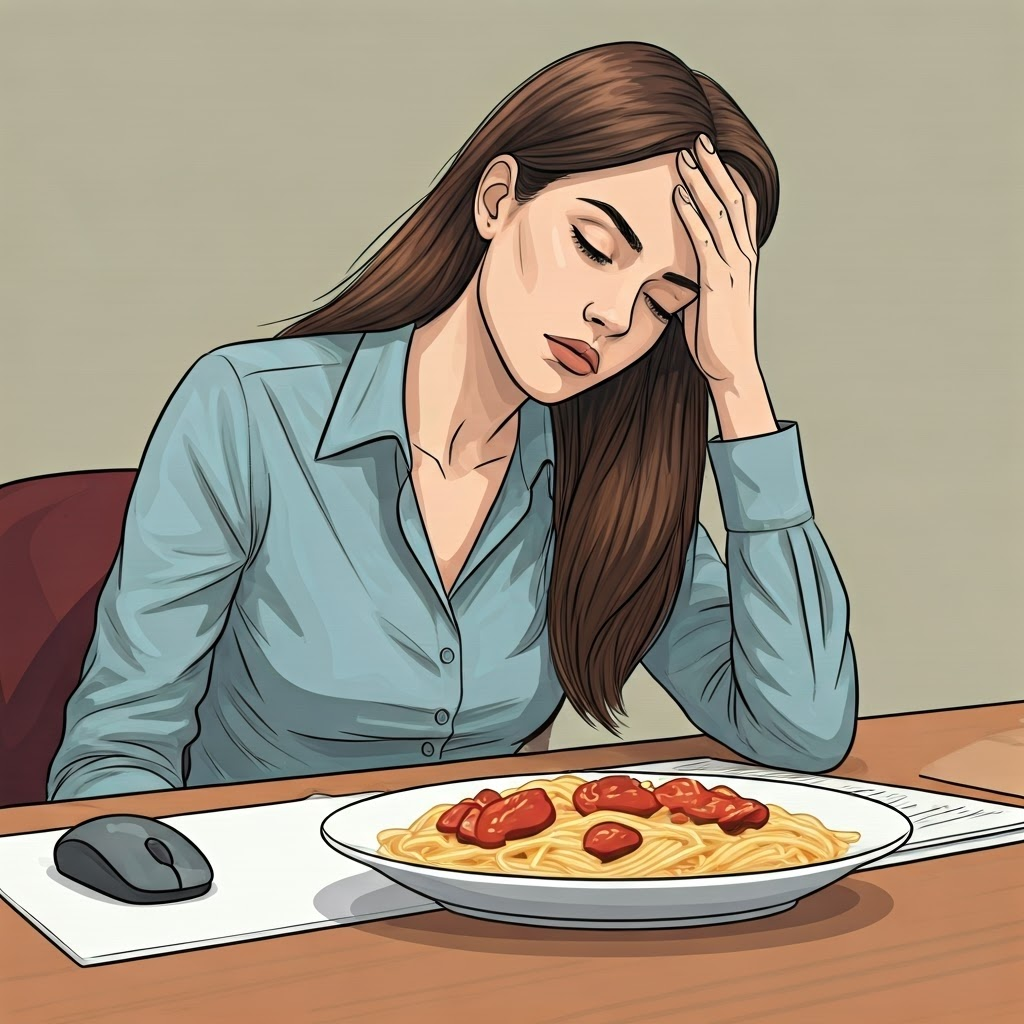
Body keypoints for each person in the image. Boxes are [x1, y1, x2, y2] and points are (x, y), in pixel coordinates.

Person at [47, 41, 856, 802]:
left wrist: (737, 385)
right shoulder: (249, 408)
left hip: (487, 915)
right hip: (258, 913)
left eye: (663, 300)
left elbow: (800, 731)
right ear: (498, 199)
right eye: (594, 245)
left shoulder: (612, 477)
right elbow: (117, 751)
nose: (613, 315)